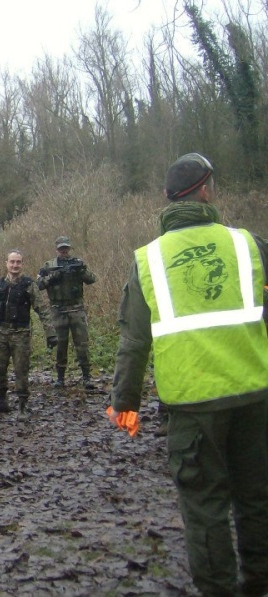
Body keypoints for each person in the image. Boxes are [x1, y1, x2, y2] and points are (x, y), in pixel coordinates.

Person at [109, 152, 268, 597]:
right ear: (205, 190)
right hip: (256, 397)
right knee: (258, 499)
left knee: (204, 504)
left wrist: (125, 408)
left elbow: (134, 342)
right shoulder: (248, 244)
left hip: (192, 408)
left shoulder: (148, 260)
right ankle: (258, 583)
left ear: (166, 200)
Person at [0, 251, 56, 418]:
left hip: (20, 334)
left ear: (22, 264)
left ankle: (23, 406)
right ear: (6, 263)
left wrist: (50, 333)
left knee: (21, 370)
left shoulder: (29, 284)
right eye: (12, 262)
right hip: (0, 333)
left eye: (18, 262)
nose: (15, 265)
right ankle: (1, 402)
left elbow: (42, 309)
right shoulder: (0, 284)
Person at [37, 235, 97, 389]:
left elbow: (92, 279)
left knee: (82, 344)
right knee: (61, 345)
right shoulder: (49, 265)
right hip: (58, 310)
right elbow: (38, 285)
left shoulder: (77, 263)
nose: (64, 251)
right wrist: (53, 277)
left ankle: (87, 377)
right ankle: (60, 378)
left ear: (69, 248)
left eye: (66, 248)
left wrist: (81, 271)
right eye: (61, 248)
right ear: (56, 249)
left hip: (76, 309)